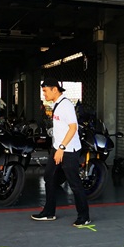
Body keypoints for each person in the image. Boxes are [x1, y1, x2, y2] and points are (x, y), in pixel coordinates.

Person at [31, 77, 90, 227]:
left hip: (68, 150)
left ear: (55, 89)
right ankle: (49, 212)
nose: (44, 94)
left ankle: (84, 216)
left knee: (74, 183)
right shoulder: (57, 104)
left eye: (45, 91)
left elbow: (73, 128)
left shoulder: (66, 105)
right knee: (49, 177)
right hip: (57, 148)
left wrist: (62, 148)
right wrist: (57, 148)